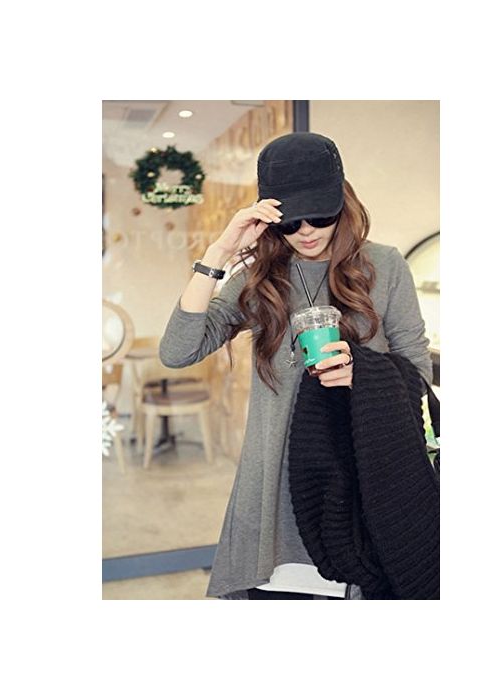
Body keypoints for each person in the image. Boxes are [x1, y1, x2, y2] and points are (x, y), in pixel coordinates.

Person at [159, 132, 433, 600]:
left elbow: (418, 375)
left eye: (320, 215)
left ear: (342, 203)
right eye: (290, 220)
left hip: (359, 485)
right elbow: (178, 351)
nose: (306, 231)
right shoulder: (259, 278)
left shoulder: (384, 266)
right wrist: (220, 252)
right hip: (272, 490)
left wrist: (364, 374)